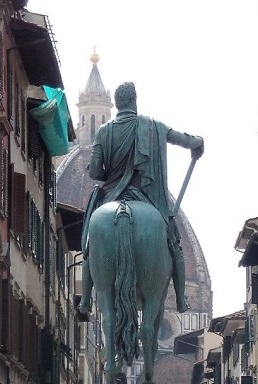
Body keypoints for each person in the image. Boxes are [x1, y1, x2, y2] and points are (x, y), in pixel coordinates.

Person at [78, 81, 204, 317]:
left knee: (89, 248)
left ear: (115, 104)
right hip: (146, 197)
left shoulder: (104, 131)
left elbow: (95, 173)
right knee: (174, 245)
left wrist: (105, 171)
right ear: (135, 100)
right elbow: (182, 139)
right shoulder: (153, 126)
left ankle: (85, 299)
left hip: (111, 197)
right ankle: (180, 298)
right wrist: (198, 142)